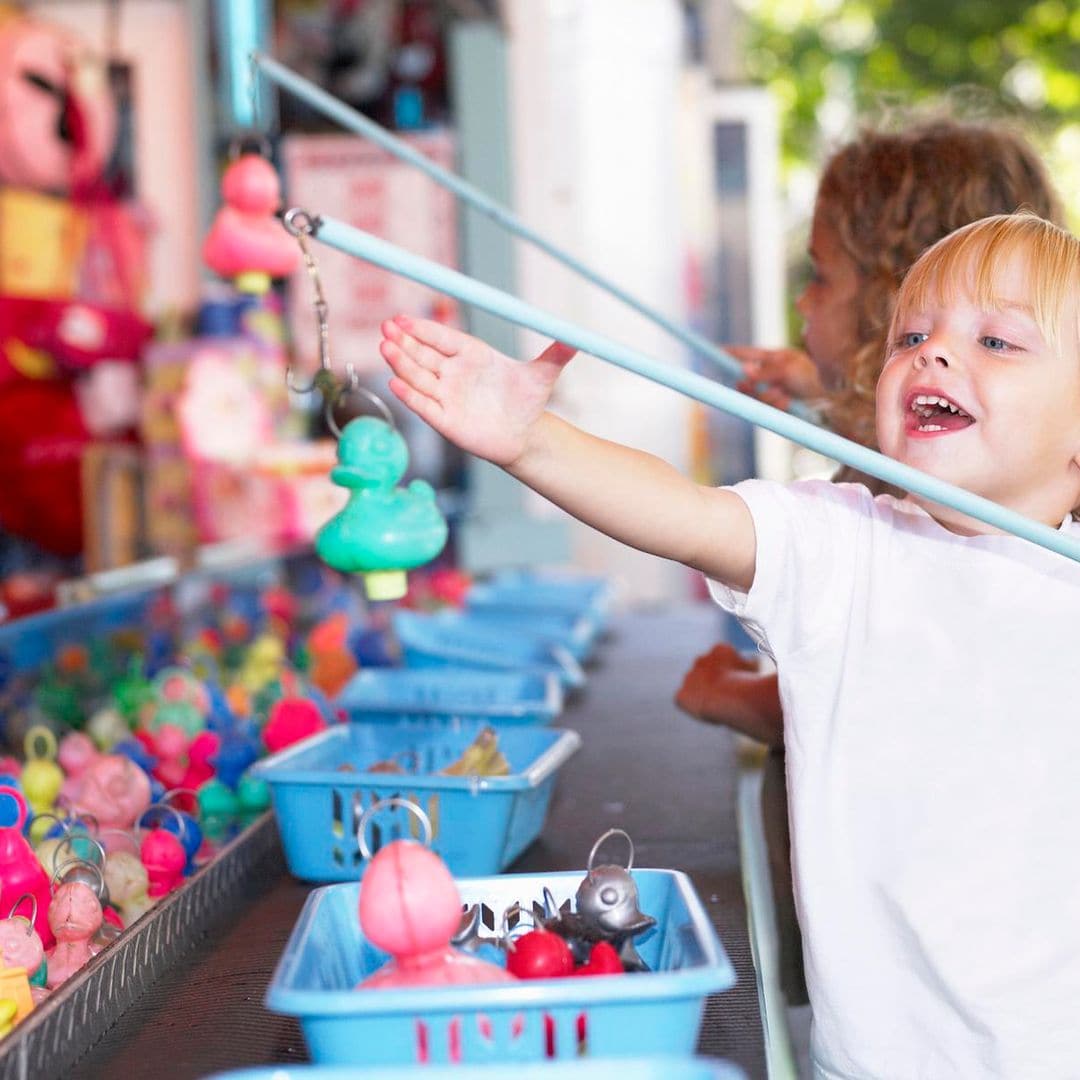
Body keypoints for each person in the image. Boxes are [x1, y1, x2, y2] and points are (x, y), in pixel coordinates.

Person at [379, 211, 1080, 1077]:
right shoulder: (848, 546)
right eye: (913, 332)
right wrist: (533, 443)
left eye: (998, 342)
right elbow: (685, 513)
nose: (934, 354)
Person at [676, 117, 1065, 748]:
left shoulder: (917, 493)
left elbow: (888, 699)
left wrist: (728, 697)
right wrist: (831, 394)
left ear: (887, 293)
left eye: (822, 276)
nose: (803, 304)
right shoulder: (983, 464)